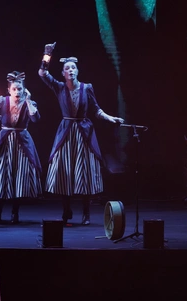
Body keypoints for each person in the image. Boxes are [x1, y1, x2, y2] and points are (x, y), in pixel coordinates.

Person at [38, 54, 123, 225]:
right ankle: (66, 210)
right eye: (67, 68)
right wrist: (47, 55)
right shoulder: (59, 87)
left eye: (73, 68)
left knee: (85, 173)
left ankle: (86, 213)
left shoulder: (86, 88)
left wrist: (110, 118)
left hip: (84, 133)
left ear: (77, 71)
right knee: (64, 172)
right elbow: (42, 74)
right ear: (63, 73)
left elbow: (96, 110)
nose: (70, 70)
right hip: (66, 133)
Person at [0, 71, 42, 224]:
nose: (17, 92)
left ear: (24, 90)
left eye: (20, 89)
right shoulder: (3, 101)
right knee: (2, 175)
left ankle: (15, 212)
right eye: (14, 89)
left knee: (18, 176)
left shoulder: (29, 103)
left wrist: (28, 100)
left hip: (22, 143)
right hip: (6, 142)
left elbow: (35, 118)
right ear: (9, 90)